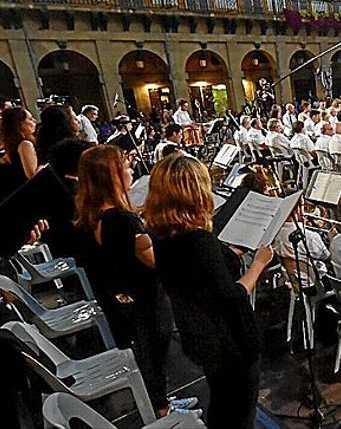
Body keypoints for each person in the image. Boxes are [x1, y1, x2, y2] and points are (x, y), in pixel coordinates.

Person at [145, 154, 274, 428]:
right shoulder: (199, 240)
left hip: (198, 333)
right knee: (239, 413)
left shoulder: (160, 232)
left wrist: (228, 254)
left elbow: (197, 275)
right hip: (229, 342)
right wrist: (259, 265)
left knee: (221, 402)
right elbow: (231, 296)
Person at [75, 146, 195, 418]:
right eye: (126, 168)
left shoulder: (91, 215)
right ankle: (162, 410)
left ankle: (159, 399)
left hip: (122, 301)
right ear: (113, 177)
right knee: (154, 355)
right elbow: (155, 260)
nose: (131, 172)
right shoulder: (123, 220)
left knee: (146, 355)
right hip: (147, 301)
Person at [1, 107, 38, 183]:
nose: (34, 121)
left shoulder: (10, 144)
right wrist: (44, 166)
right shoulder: (25, 144)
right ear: (20, 124)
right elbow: (32, 175)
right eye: (30, 119)